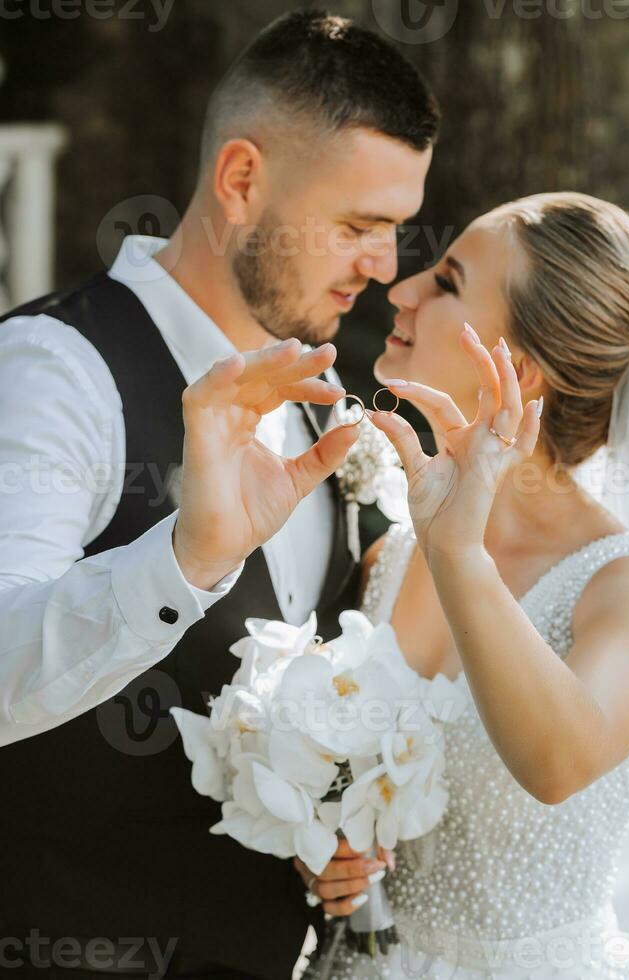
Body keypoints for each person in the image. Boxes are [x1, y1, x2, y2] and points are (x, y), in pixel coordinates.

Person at [0, 11, 438, 980]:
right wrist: (185, 558)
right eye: (358, 224)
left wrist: (341, 822)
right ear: (242, 180)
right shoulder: (54, 370)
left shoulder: (329, 407)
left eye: (398, 230)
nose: (384, 266)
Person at [300, 192, 629, 979]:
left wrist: (460, 552)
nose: (402, 290)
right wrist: (322, 847)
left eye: (449, 282)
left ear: (518, 371)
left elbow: (559, 765)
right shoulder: (386, 549)